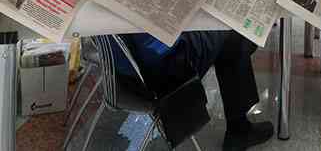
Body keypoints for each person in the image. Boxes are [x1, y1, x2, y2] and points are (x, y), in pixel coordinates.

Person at [111, 31, 273, 151]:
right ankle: (239, 130)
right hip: (160, 74)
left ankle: (239, 128)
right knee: (235, 35)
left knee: (227, 34)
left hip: (119, 75)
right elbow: (162, 46)